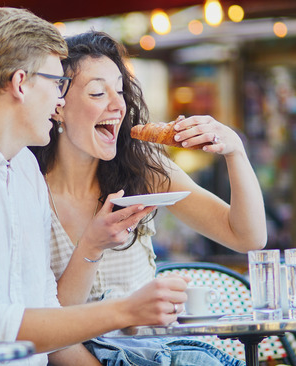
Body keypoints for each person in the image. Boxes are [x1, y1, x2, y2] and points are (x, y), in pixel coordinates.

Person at [0, 8, 190, 366]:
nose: (60, 102)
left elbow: (45, 308)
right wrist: (125, 312)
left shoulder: (23, 168)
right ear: (20, 83)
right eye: (57, 83)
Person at [30, 30, 267, 364]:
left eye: (121, 90)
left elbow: (248, 237)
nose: (117, 104)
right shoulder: (28, 192)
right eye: (98, 92)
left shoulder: (143, 169)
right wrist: (91, 245)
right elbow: (49, 333)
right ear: (58, 107)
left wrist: (235, 152)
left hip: (154, 353)